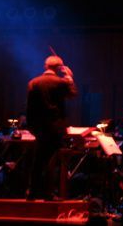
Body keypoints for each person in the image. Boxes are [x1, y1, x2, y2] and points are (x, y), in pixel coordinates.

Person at [26, 55, 77, 201]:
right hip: (55, 127)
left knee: (38, 160)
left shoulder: (33, 83)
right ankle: (48, 193)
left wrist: (32, 128)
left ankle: (32, 192)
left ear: (45, 66)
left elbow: (29, 108)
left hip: (39, 127)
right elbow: (73, 94)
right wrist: (69, 77)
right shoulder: (60, 83)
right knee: (51, 161)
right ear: (59, 68)